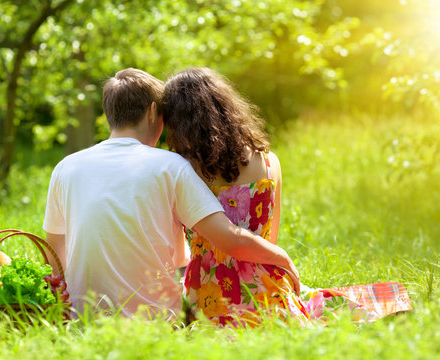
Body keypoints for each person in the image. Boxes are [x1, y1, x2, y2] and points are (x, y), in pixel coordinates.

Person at [160, 67, 412, 326]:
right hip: (267, 287)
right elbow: (269, 240)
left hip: (207, 294)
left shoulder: (182, 170)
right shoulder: (269, 161)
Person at [43, 68, 300, 319]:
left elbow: (55, 255)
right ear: (154, 112)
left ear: (109, 113)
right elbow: (231, 241)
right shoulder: (171, 166)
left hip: (82, 315)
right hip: (158, 315)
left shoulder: (65, 167)